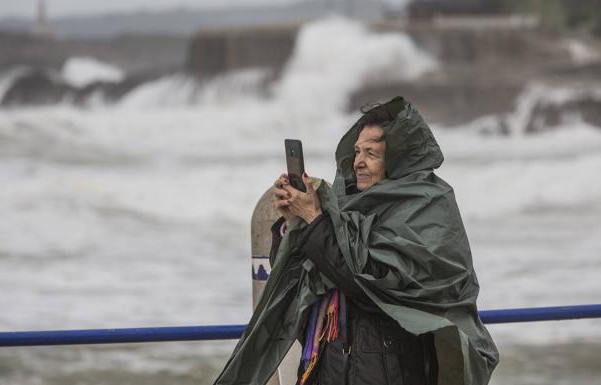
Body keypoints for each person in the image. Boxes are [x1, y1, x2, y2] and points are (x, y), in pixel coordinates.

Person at [214, 96, 499, 385]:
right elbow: (302, 276)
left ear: (399, 157)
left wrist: (314, 220)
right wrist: (292, 223)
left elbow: (372, 285)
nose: (358, 162)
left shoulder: (428, 208)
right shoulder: (344, 207)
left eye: (371, 154)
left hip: (387, 372)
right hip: (326, 366)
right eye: (357, 152)